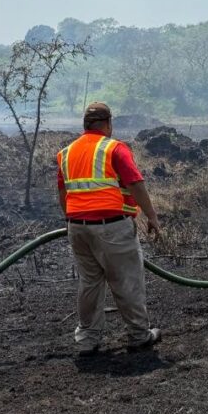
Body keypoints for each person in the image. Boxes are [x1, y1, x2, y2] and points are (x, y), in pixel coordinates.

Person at [57, 102, 162, 355]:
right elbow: (136, 183)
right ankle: (138, 335)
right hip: (111, 228)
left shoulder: (66, 153)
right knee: (126, 281)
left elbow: (62, 191)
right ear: (108, 124)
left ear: (85, 125)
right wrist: (152, 217)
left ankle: (87, 340)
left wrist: (72, 220)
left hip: (77, 228)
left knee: (90, 283)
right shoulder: (114, 148)